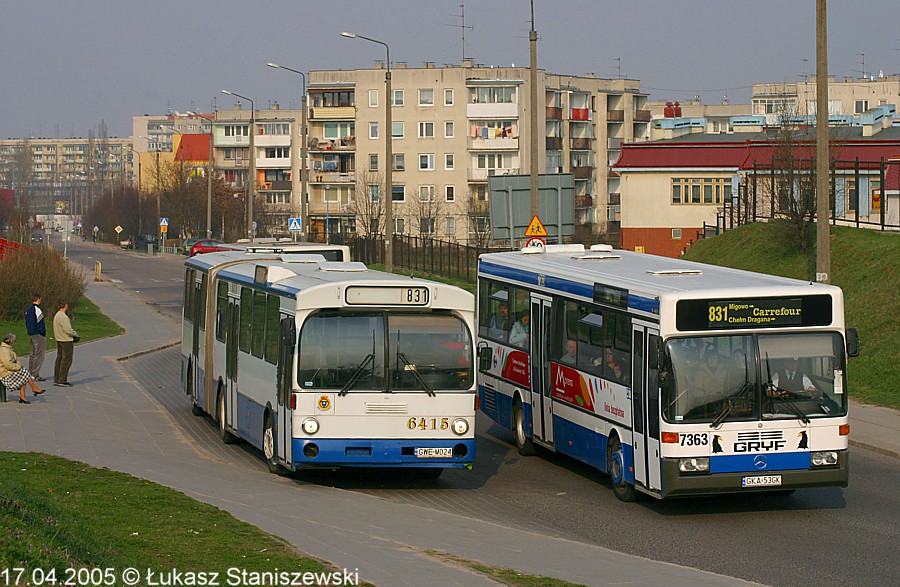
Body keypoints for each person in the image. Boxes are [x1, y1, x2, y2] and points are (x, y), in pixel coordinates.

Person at [0, 333, 46, 404]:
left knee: (23, 373)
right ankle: (33, 388)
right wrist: (18, 367)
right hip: (4, 373)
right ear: (11, 342)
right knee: (24, 373)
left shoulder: (8, 349)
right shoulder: (4, 351)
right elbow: (7, 365)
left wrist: (19, 366)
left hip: (7, 371)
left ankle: (24, 395)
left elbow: (16, 361)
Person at [52, 301, 78, 387]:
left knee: (59, 359)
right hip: (66, 340)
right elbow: (68, 330)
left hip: (59, 339)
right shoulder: (64, 317)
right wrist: (75, 334)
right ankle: (62, 380)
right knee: (66, 360)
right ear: (65, 306)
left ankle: (57, 379)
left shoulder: (57, 315)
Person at [24, 292, 47, 381]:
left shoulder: (28, 310)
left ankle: (30, 373)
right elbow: (40, 323)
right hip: (38, 334)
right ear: (38, 299)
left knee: (32, 354)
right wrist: (43, 332)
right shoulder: (37, 310)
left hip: (31, 333)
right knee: (39, 354)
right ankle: (35, 374)